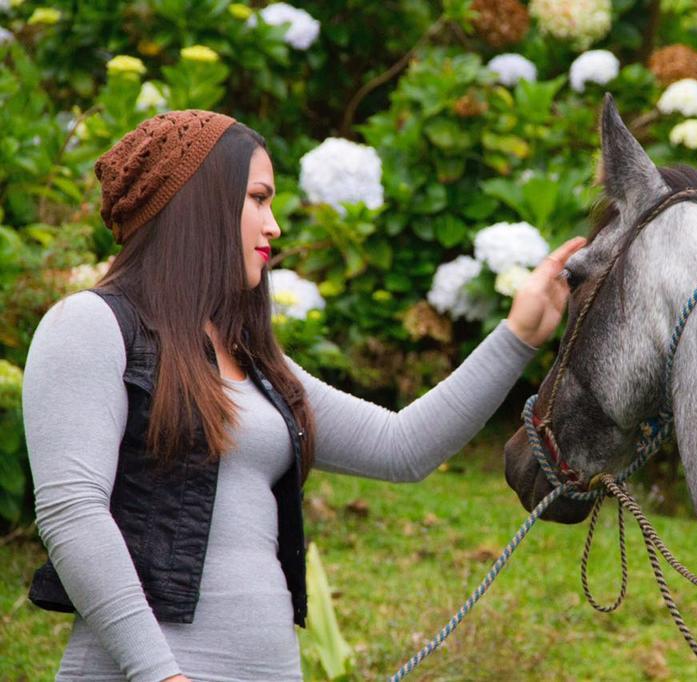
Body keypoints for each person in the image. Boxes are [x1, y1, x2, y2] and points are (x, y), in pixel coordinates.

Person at [22, 109, 587, 681]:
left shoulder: (253, 359)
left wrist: (519, 336)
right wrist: (160, 675)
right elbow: (73, 514)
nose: (274, 227)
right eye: (258, 199)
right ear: (199, 202)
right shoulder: (89, 325)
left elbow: (402, 447)